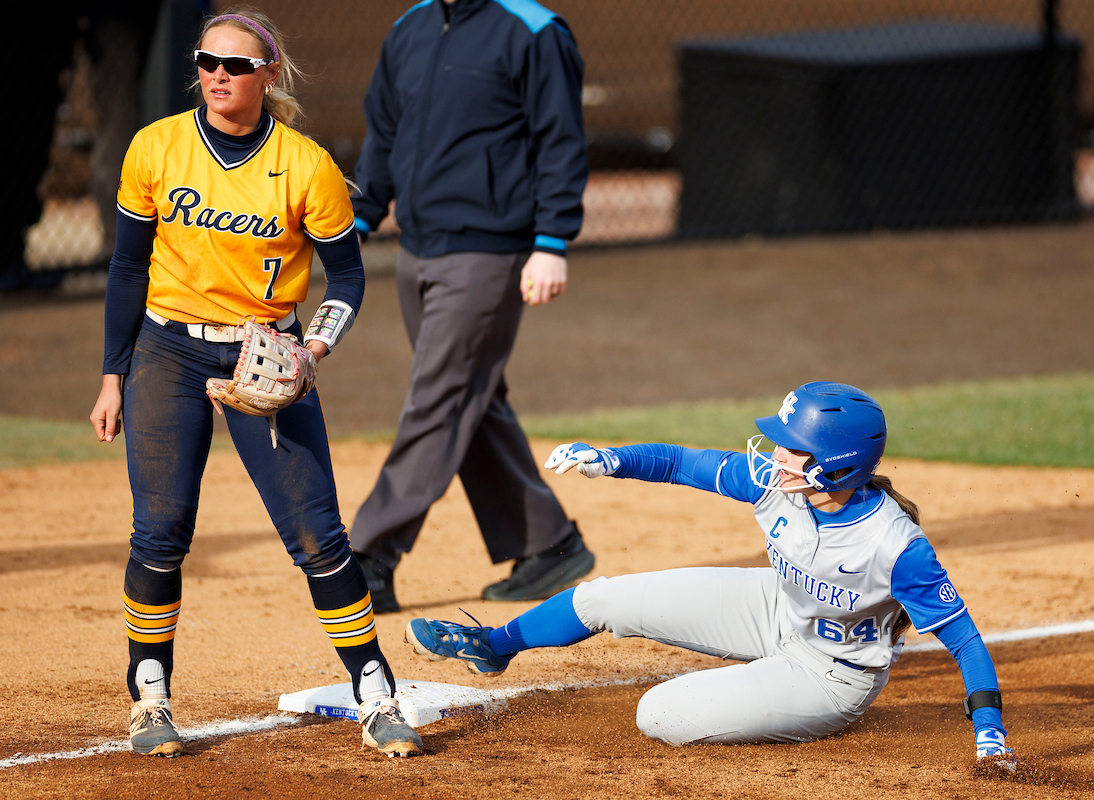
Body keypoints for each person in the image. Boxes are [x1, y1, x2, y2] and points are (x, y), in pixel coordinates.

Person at [88, 8, 422, 759]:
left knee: (318, 535)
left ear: (268, 75)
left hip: (266, 354)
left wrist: (314, 350)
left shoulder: (305, 166)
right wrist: (113, 375)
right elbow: (126, 270)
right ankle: (150, 698)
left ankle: (375, 692)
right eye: (207, 61)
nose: (217, 75)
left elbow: (347, 275)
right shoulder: (157, 147)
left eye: (235, 66)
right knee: (160, 530)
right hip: (166, 354)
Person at [404, 382, 1018, 768]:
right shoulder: (775, 485)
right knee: (604, 598)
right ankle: (496, 645)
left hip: (832, 676)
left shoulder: (895, 547)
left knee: (658, 714)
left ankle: (772, 695)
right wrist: (608, 459)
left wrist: (989, 731)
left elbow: (962, 638)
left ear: (836, 466)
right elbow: (678, 462)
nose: (775, 454)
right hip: (777, 608)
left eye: (791, 448)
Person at [349, 0, 594, 612]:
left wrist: (552, 241)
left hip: (491, 251)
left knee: (440, 395)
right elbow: (386, 131)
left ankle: (369, 555)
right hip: (419, 247)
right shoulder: (410, 26)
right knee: (468, 395)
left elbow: (561, 139)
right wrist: (357, 217)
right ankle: (550, 544)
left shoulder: (533, 30)